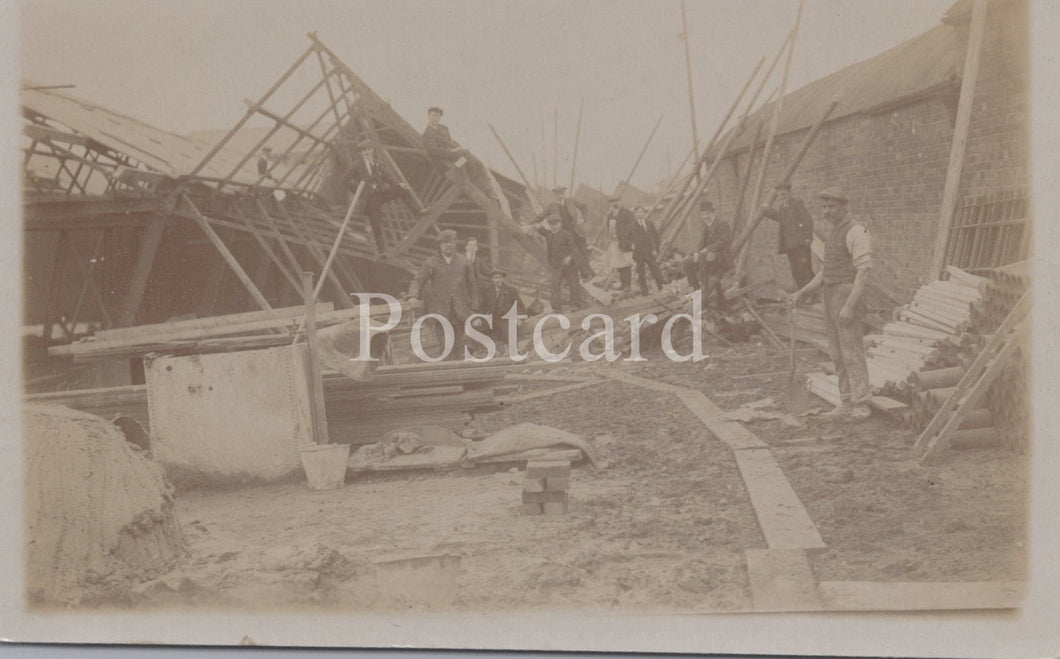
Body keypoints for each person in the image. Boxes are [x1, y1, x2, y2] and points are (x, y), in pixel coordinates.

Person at [790, 186, 873, 420]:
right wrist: (802, 293)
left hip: (846, 294)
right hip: (829, 295)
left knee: (851, 350)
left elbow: (864, 271)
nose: (826, 211)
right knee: (836, 353)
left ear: (844, 206)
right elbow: (825, 272)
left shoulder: (857, 231)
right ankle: (846, 401)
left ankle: (861, 403)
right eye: (824, 206)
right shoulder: (834, 232)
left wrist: (850, 305)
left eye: (831, 206)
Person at [407, 229, 478, 359]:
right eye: (445, 242)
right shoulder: (431, 262)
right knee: (445, 345)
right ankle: (447, 370)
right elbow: (418, 280)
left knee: (460, 345)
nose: (449, 245)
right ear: (440, 245)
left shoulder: (464, 262)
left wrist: (474, 307)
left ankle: (459, 374)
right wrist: (412, 295)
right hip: (440, 310)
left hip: (460, 309)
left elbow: (472, 285)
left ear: (455, 244)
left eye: (451, 242)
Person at [347, 139, 411, 253]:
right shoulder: (357, 165)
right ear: (361, 153)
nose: (368, 152)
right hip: (370, 200)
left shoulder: (375, 162)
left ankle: (418, 211)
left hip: (381, 193)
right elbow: (345, 180)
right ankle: (382, 252)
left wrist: (398, 184)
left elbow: (387, 176)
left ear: (372, 150)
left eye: (369, 149)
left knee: (403, 189)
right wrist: (359, 190)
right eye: (364, 150)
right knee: (376, 225)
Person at [421, 106, 496, 199]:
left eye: (438, 116)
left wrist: (457, 146)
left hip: (454, 156)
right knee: (464, 157)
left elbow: (449, 141)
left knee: (478, 163)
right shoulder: (427, 134)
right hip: (443, 160)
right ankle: (475, 180)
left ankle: (487, 189)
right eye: (433, 115)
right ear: (428, 116)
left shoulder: (444, 128)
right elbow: (434, 151)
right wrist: (451, 151)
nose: (435, 118)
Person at [760, 181, 815, 289]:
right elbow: (778, 217)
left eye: (784, 191)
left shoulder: (796, 203)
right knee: (795, 271)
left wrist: (807, 237)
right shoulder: (782, 206)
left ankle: (811, 294)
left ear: (789, 191)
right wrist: (766, 210)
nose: (781, 193)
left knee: (804, 269)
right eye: (779, 192)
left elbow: (807, 219)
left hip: (800, 244)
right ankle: (802, 293)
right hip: (789, 245)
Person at [683, 199, 732, 311]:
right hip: (709, 256)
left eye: (708, 214)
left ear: (713, 213)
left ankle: (704, 286)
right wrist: (696, 251)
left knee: (704, 260)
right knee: (686, 262)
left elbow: (723, 241)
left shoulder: (722, 224)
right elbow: (702, 242)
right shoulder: (706, 226)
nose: (705, 217)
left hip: (721, 256)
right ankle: (696, 288)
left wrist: (707, 249)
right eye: (703, 215)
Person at [528, 212, 582, 312]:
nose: (554, 227)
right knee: (554, 285)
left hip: (570, 265)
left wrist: (569, 257)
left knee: (573, 284)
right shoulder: (550, 235)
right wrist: (537, 226)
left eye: (556, 224)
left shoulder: (567, 235)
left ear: (560, 223)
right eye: (551, 224)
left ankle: (575, 305)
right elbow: (543, 231)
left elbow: (574, 249)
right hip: (556, 265)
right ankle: (557, 308)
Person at [536, 187, 592, 280]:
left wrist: (582, 218)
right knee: (565, 255)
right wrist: (529, 223)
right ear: (555, 195)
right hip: (563, 235)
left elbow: (584, 206)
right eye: (558, 193)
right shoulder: (552, 206)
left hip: (576, 232)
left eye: (562, 193)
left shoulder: (571, 201)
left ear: (564, 193)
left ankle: (586, 274)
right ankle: (568, 277)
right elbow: (540, 216)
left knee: (581, 252)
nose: (560, 195)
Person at [477, 268, 524, 345]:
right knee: (478, 330)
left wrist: (519, 318)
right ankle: (482, 351)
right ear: (491, 279)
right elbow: (482, 305)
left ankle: (512, 351)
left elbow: (519, 305)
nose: (498, 280)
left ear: (503, 279)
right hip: (491, 317)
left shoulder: (511, 290)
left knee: (509, 333)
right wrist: (479, 317)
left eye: (500, 277)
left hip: (506, 318)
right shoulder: (486, 289)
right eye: (495, 278)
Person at [630, 205, 665, 296]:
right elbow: (626, 238)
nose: (639, 214)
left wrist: (656, 249)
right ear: (634, 214)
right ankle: (644, 292)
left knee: (655, 270)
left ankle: (661, 288)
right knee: (641, 273)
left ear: (644, 213)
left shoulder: (649, 223)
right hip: (639, 253)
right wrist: (631, 245)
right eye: (637, 212)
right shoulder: (631, 226)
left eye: (641, 212)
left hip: (650, 252)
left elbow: (656, 237)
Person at [605, 194, 635, 291]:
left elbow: (632, 228)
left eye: (616, 201)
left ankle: (627, 285)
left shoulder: (627, 213)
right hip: (615, 243)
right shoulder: (610, 215)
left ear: (620, 201)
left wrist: (629, 241)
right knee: (619, 264)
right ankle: (622, 284)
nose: (615, 203)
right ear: (610, 203)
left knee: (626, 264)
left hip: (625, 242)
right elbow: (608, 228)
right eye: (612, 201)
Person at [464, 236, 491, 305]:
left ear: (477, 248)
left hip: (476, 286)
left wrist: (496, 274)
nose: (472, 247)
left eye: (474, 245)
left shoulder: (479, 260)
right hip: (463, 285)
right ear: (466, 247)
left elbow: (487, 272)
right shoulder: (461, 259)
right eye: (470, 245)